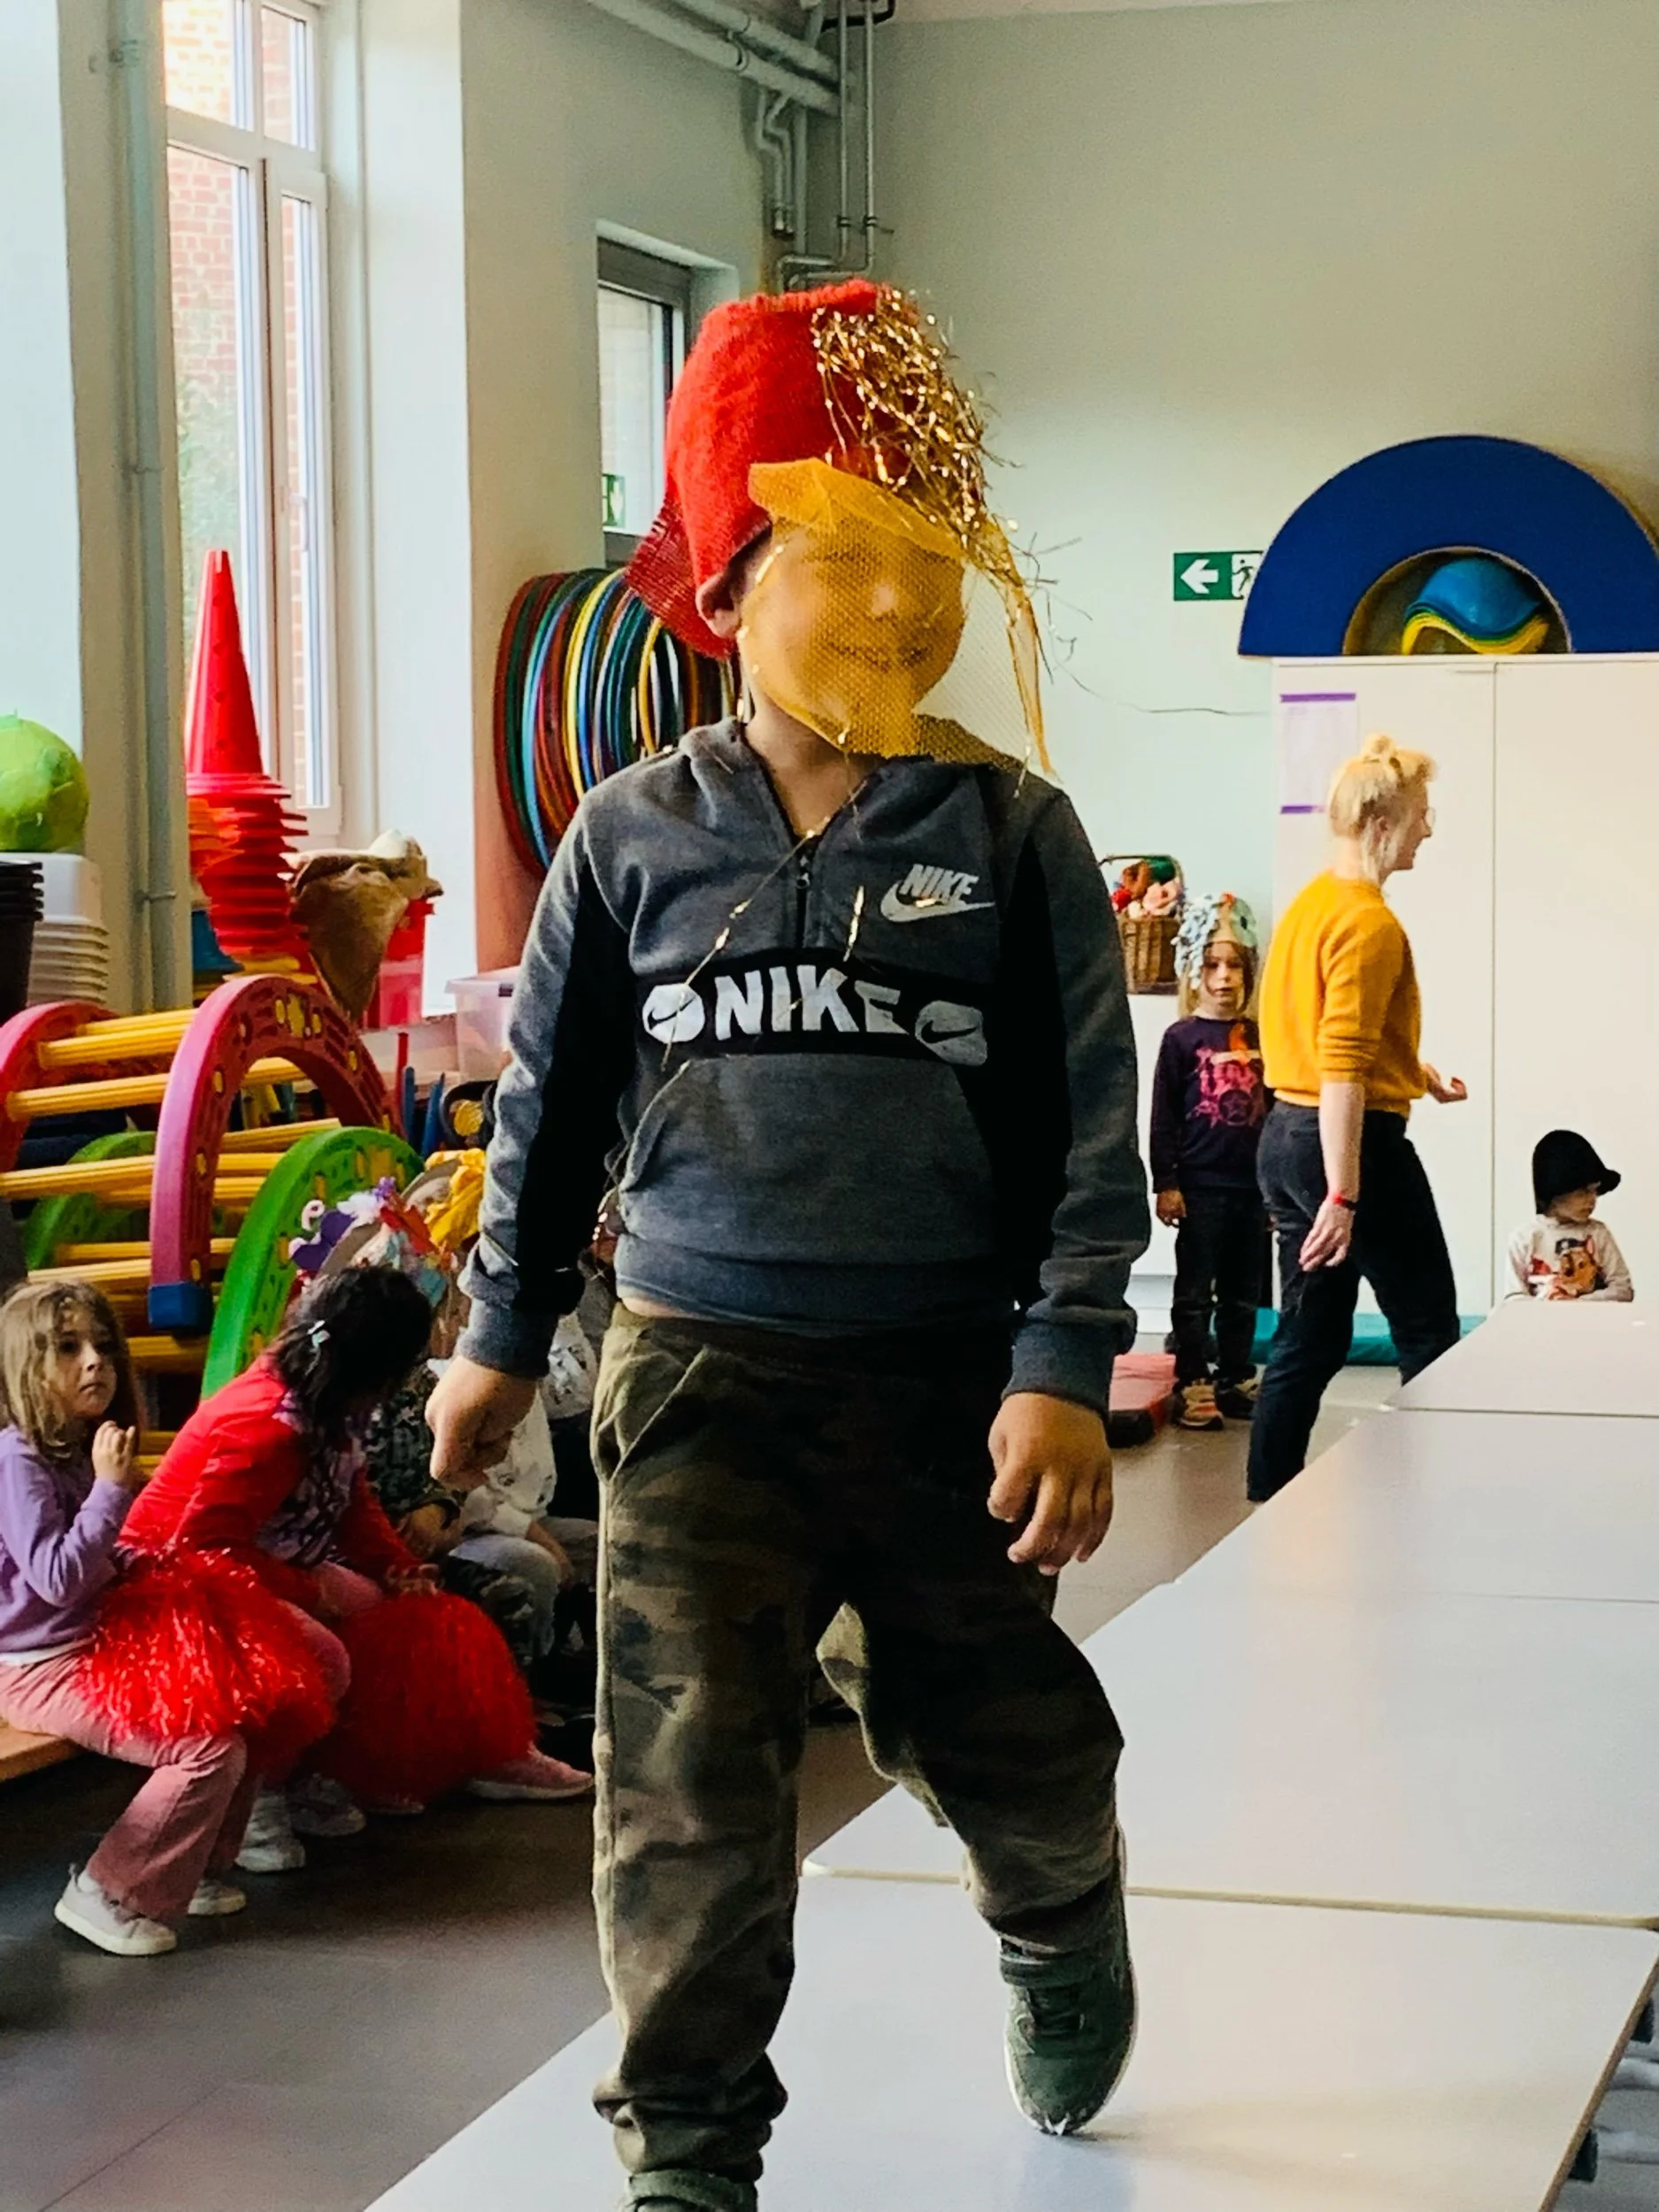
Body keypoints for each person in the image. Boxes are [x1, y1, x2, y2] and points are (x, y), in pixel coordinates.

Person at [427, 278, 1148, 2212]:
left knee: (1005, 1741)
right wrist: (499, 1333)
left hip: (944, 1384)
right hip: (695, 1377)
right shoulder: (631, 837)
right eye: (847, 559)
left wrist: (1064, 1362)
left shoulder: (1010, 834)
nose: (899, 606)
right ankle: (686, 2156)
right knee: (684, 1791)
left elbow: (1093, 1124)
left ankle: (1058, 1919)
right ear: (729, 589)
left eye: (930, 563)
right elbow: (545, 1107)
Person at [124, 1269, 589, 1865]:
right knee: (317, 1657)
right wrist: (306, 1591)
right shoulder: (264, 1424)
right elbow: (200, 1546)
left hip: (267, 1567)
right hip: (178, 1584)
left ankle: (342, 1769)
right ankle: (259, 1798)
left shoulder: (330, 1400)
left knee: (409, 1613)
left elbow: (351, 1498)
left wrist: (395, 1566)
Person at [0, 1284, 259, 1955]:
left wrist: (136, 1559)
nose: (95, 1362)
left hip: (90, 1646)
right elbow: (58, 1580)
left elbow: (89, 1561)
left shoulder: (73, 1447)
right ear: (24, 1366)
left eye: (103, 1346)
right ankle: (109, 1891)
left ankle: (189, 1869)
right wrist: (112, 1490)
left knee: (241, 1698)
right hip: (38, 1670)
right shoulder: (17, 1459)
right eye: (67, 1348)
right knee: (206, 1749)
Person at [1248, 733, 1464, 1502]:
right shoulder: (1369, 924)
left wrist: (1413, 1074)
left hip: (1284, 1138)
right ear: (1382, 825)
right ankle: (1438, 1497)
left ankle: (1266, 1498)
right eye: (1421, 815)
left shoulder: (1313, 903)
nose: (1427, 830)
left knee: (1307, 1337)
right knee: (1429, 1330)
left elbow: (1321, 1040)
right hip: (1350, 1147)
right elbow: (1339, 1067)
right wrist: (1343, 1195)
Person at [1150, 892, 1268, 1431]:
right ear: (1193, 972)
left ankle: (1235, 1376)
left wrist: (1277, 1188)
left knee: (1244, 1293)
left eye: (1234, 966)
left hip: (1252, 1187)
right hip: (1200, 1187)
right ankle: (1193, 1377)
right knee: (1195, 1291)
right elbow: (1164, 1115)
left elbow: (1276, 1110)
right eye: (1212, 966)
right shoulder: (1181, 1039)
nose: (1224, 977)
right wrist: (1166, 1181)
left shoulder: (1260, 1036)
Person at [1507, 1130, 1633, 1302]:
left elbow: (1622, 1288)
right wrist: (1545, 1306)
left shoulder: (1598, 1233)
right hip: (1541, 1318)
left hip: (1593, 1317)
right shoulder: (1525, 1238)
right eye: (1582, 1192)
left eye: (1595, 1190)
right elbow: (1514, 1298)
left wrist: (1577, 1304)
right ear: (1555, 1193)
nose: (1592, 1199)